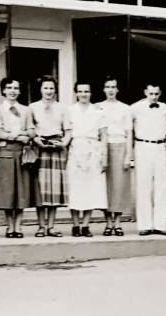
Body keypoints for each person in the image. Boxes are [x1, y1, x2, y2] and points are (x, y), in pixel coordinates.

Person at [64, 81, 107, 237]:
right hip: (76, 150)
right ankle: (75, 225)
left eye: (86, 91)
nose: (84, 94)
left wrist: (104, 156)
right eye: (80, 91)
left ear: (91, 93)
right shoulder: (70, 110)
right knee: (75, 189)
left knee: (90, 189)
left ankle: (86, 225)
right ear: (76, 93)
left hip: (93, 150)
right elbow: (67, 134)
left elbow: (104, 136)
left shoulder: (98, 111)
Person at [131, 83, 166, 236]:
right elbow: (128, 129)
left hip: (160, 147)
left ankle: (160, 225)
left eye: (156, 93)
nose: (154, 96)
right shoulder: (135, 108)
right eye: (151, 93)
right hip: (142, 146)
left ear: (160, 93)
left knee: (162, 186)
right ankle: (144, 225)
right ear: (145, 92)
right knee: (143, 186)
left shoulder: (165, 108)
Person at [0, 77, 35, 238]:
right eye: (9, 87)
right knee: (7, 191)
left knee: (21, 190)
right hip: (6, 153)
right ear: (3, 90)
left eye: (15, 88)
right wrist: (18, 137)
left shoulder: (26, 110)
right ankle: (9, 227)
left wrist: (22, 135)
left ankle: (18, 227)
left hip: (22, 153)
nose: (12, 91)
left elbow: (32, 131)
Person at [96, 77, 133, 236]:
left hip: (120, 146)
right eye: (107, 87)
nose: (110, 90)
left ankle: (117, 223)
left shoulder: (125, 108)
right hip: (102, 148)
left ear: (117, 90)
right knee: (105, 187)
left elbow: (129, 133)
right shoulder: (97, 107)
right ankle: (108, 222)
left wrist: (128, 156)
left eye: (113, 87)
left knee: (119, 186)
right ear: (103, 89)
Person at [29, 76, 66, 237]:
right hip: (40, 148)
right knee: (41, 190)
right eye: (45, 88)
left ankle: (51, 226)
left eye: (51, 88)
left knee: (54, 189)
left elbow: (68, 130)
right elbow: (30, 128)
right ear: (40, 89)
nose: (48, 91)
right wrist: (37, 140)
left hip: (56, 148)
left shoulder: (62, 108)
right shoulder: (33, 107)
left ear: (55, 89)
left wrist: (63, 143)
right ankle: (40, 226)